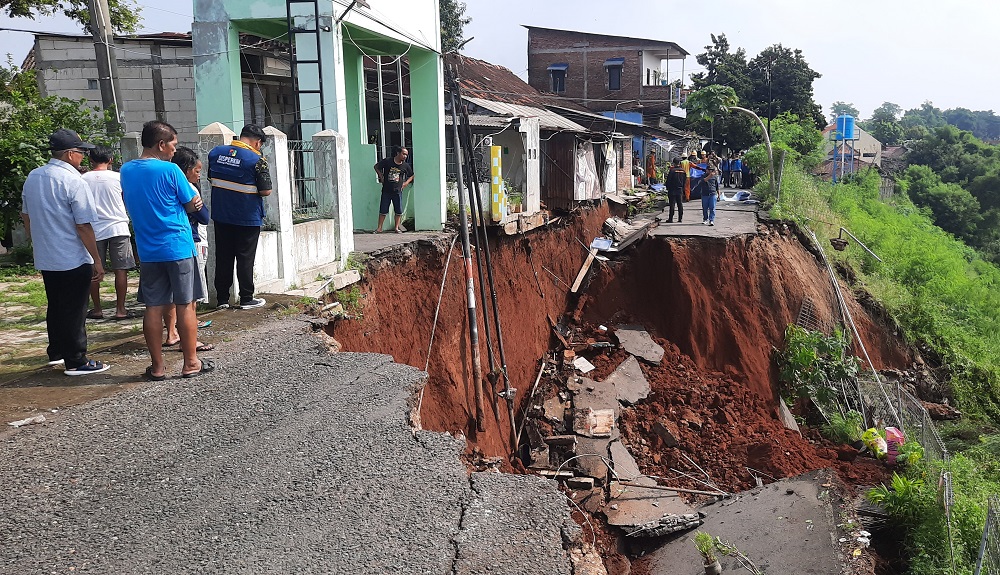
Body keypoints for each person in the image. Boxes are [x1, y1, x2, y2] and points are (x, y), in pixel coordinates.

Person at [120, 120, 213, 380]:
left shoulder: (126, 170)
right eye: (172, 144)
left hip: (148, 249)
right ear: (161, 144)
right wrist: (189, 204)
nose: (175, 149)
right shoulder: (171, 171)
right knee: (185, 304)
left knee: (153, 306)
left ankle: (158, 367)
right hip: (178, 245)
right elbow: (193, 204)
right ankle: (191, 362)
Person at [20, 128, 110, 375]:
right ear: (70, 154)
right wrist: (97, 259)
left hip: (47, 254)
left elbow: (26, 215)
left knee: (57, 305)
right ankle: (77, 360)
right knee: (75, 308)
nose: (83, 157)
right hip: (71, 254)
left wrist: (34, 240)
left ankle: (57, 351)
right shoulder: (73, 181)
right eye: (81, 152)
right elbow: (83, 225)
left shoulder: (34, 176)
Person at [208, 124, 272, 309]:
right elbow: (266, 190)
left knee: (223, 256)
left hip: (222, 215)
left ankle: (222, 299)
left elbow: (212, 179)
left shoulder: (215, 153)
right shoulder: (257, 160)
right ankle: (246, 297)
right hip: (247, 217)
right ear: (257, 143)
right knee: (245, 257)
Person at [160, 146, 214, 353]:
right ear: (186, 169)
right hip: (190, 242)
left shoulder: (165, 185)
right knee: (189, 299)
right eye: (197, 171)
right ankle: (189, 341)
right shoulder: (188, 189)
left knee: (169, 297)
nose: (199, 175)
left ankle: (172, 333)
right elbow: (204, 217)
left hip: (163, 247)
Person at [82, 145, 135, 321]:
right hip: (118, 226)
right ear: (111, 160)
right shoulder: (119, 177)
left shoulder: (83, 179)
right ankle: (120, 309)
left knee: (94, 270)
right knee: (121, 269)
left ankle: (97, 308)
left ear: (90, 160)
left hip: (93, 229)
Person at [373, 145, 414, 233]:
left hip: (397, 191)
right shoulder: (387, 161)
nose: (405, 156)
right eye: (403, 154)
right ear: (398, 153)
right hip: (386, 190)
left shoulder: (405, 166)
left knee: (398, 210)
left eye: (406, 155)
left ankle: (396, 228)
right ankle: (379, 228)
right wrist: (381, 176)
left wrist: (406, 183)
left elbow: (412, 175)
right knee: (383, 210)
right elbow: (376, 167)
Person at [664, 158, 686, 223]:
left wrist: (667, 187)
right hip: (680, 189)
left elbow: (668, 181)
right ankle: (680, 218)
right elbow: (685, 180)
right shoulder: (683, 171)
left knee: (672, 204)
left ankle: (670, 219)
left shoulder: (672, 171)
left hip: (672, 190)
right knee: (680, 204)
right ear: (679, 163)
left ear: (674, 163)